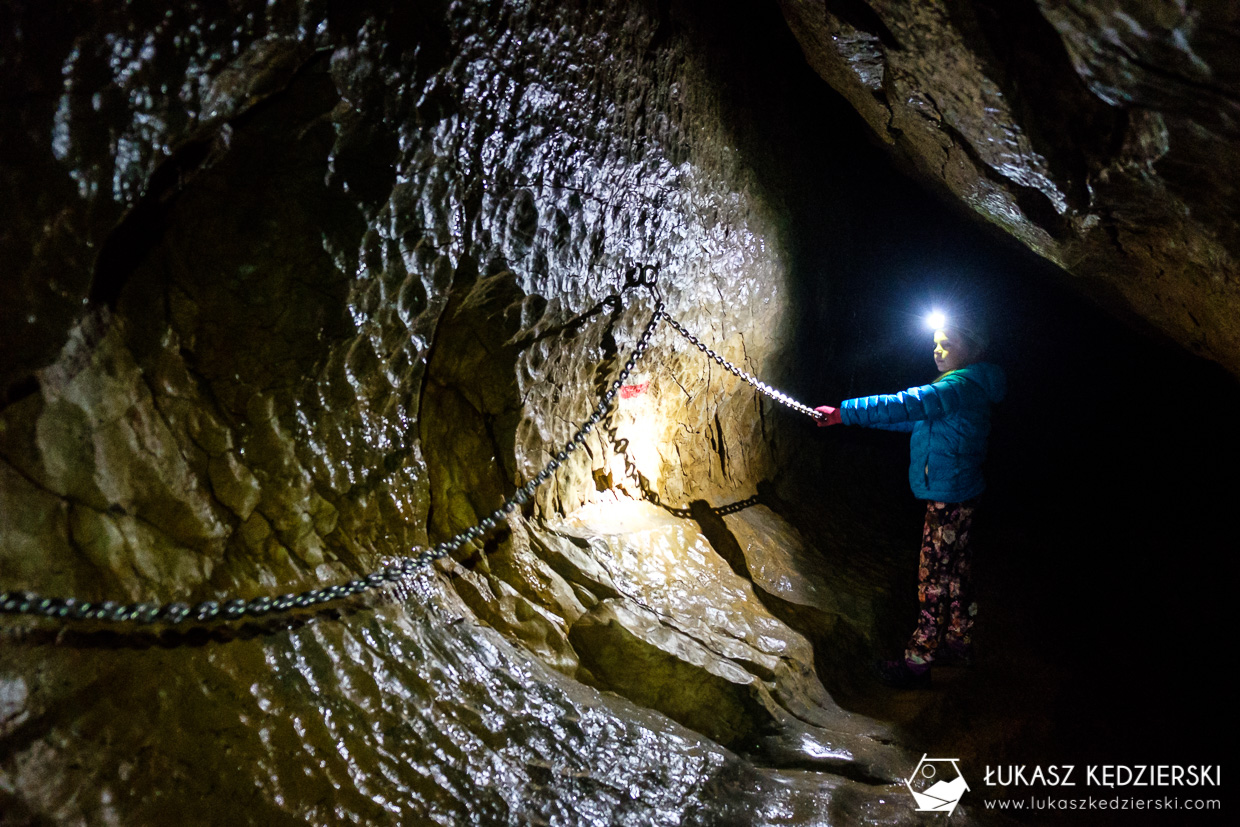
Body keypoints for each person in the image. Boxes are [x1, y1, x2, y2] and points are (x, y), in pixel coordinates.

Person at [815, 319, 1006, 689]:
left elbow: (905, 404)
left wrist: (843, 412)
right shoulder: (970, 387)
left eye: (947, 344)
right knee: (956, 574)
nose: (937, 350)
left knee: (932, 580)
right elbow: (912, 419)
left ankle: (918, 664)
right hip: (962, 493)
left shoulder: (958, 386)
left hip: (948, 500)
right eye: (936, 343)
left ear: (973, 350)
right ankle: (958, 643)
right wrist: (852, 421)